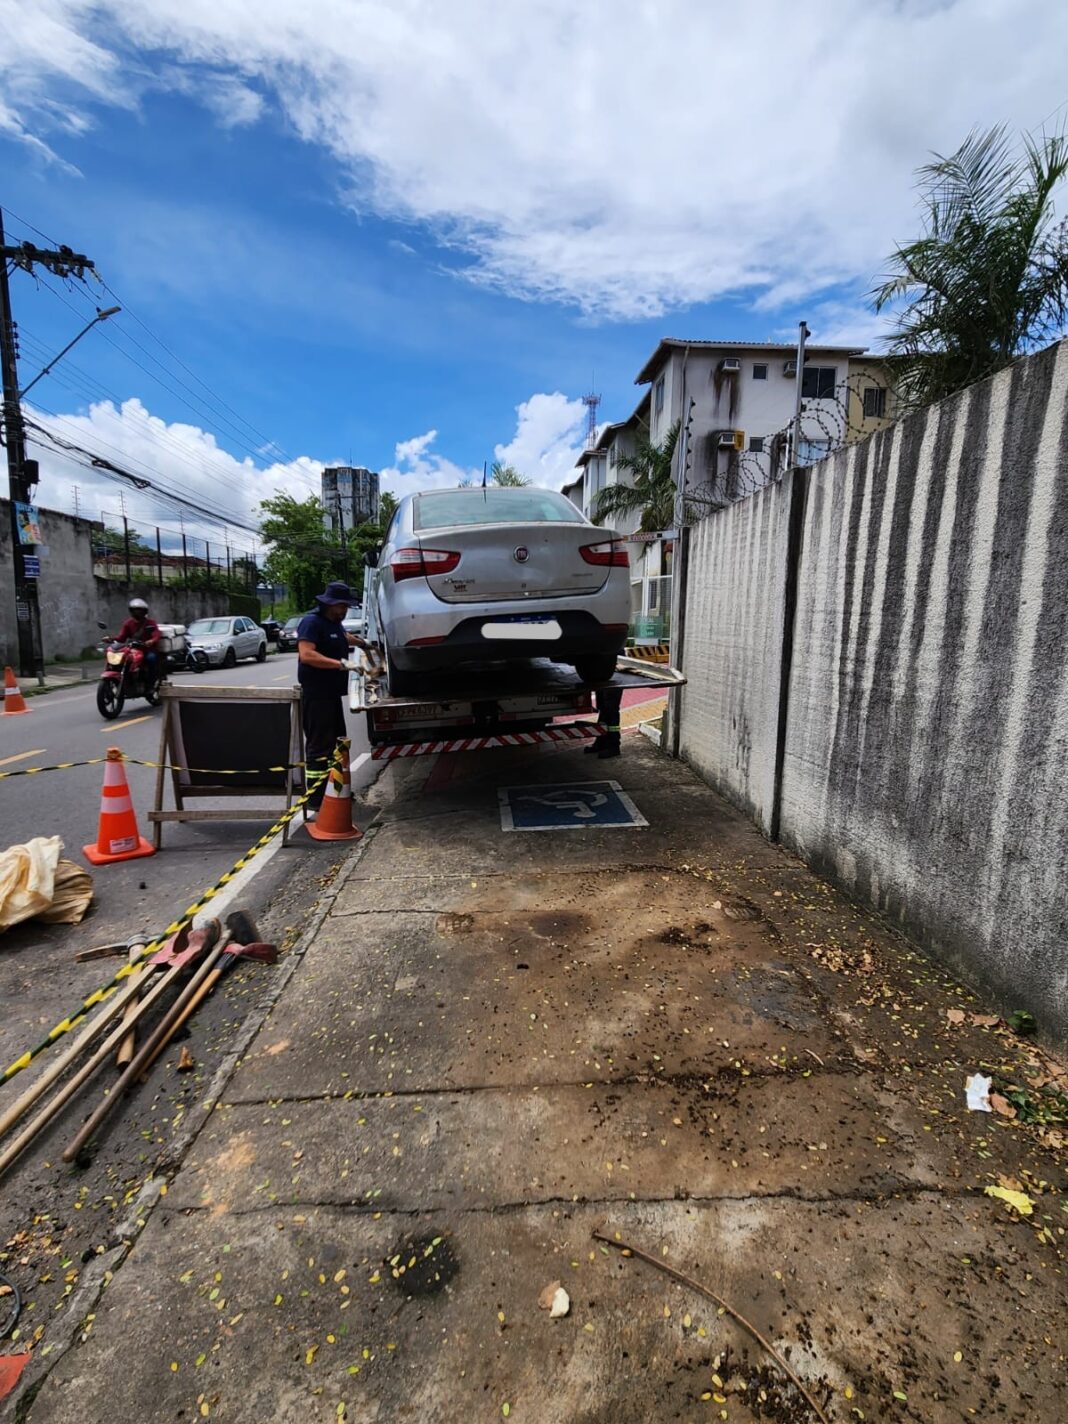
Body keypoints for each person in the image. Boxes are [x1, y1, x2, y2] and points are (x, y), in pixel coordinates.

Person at [297, 581, 365, 811]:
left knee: (338, 744)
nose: (345, 610)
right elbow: (307, 655)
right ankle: (316, 800)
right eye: (342, 606)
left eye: (347, 606)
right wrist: (343, 664)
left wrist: (365, 644)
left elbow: (343, 637)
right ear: (330, 604)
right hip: (316, 696)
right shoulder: (311, 623)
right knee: (319, 747)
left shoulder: (333, 623)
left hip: (332, 695)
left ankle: (336, 791)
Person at [114, 597, 162, 688]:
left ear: (144, 611)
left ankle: (150, 682)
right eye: (135, 610)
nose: (137, 612)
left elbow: (156, 634)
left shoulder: (150, 623)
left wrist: (151, 641)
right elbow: (122, 637)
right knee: (122, 659)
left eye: (139, 610)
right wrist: (111, 639)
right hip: (133, 650)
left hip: (147, 649)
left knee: (151, 659)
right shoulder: (128, 623)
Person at [585, 683, 622, 759]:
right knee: (603, 710)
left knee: (611, 711)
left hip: (613, 682)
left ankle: (614, 745)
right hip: (603, 681)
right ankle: (600, 743)